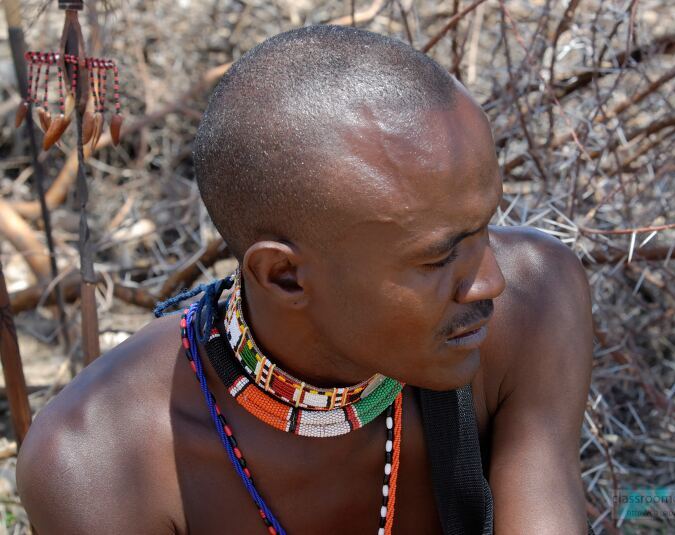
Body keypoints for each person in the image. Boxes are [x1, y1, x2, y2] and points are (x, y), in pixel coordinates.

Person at [16, 25, 594, 534]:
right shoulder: (103, 461)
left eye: (485, 227)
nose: (489, 281)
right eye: (438, 259)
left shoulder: (534, 303)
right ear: (285, 277)